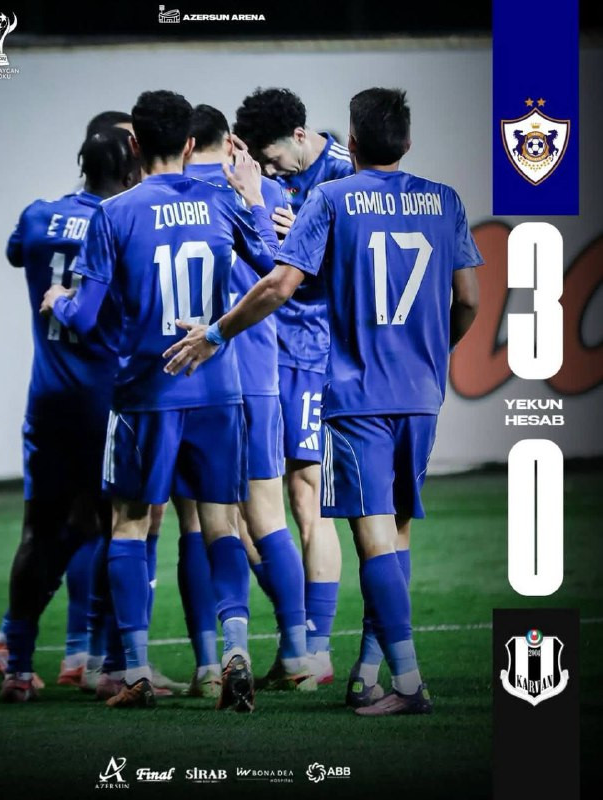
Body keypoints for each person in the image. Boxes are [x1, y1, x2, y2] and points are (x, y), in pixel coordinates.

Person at [163, 87, 482, 716]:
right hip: (421, 392)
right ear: (408, 141)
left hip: (356, 389)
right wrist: (432, 352)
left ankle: (407, 682)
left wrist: (216, 333)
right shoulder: (445, 200)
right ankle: (368, 671)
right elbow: (468, 299)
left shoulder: (334, 197)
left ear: (350, 142)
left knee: (365, 533)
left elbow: (282, 283)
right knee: (395, 535)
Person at [41, 90, 279, 711]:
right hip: (217, 391)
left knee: (129, 522)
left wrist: (59, 300)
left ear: (135, 144)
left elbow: (85, 317)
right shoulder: (222, 200)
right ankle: (235, 652)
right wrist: (255, 199)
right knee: (222, 524)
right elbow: (271, 266)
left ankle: (137, 671)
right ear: (191, 143)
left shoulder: (114, 213)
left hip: (145, 393)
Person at [0, 127, 141, 702]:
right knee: (116, 528)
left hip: (48, 401)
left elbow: (16, 252)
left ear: (82, 164)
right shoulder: (126, 220)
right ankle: (108, 666)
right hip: (106, 402)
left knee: (40, 531)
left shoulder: (37, 215)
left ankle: (17, 666)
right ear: (129, 172)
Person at [181, 104, 315, 692]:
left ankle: (211, 666)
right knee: (269, 517)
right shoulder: (265, 194)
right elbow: (287, 276)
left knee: (199, 522)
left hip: (194, 376)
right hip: (259, 371)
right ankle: (298, 653)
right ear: (230, 141)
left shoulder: (167, 195)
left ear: (185, 145)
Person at [234, 88, 354, 682]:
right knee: (246, 504)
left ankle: (317, 650)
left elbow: (358, 267)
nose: (271, 168)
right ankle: (296, 640)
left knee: (308, 494)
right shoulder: (269, 180)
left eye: (273, 157)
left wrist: (306, 240)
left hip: (310, 351)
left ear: (300, 135)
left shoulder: (346, 175)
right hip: (264, 350)